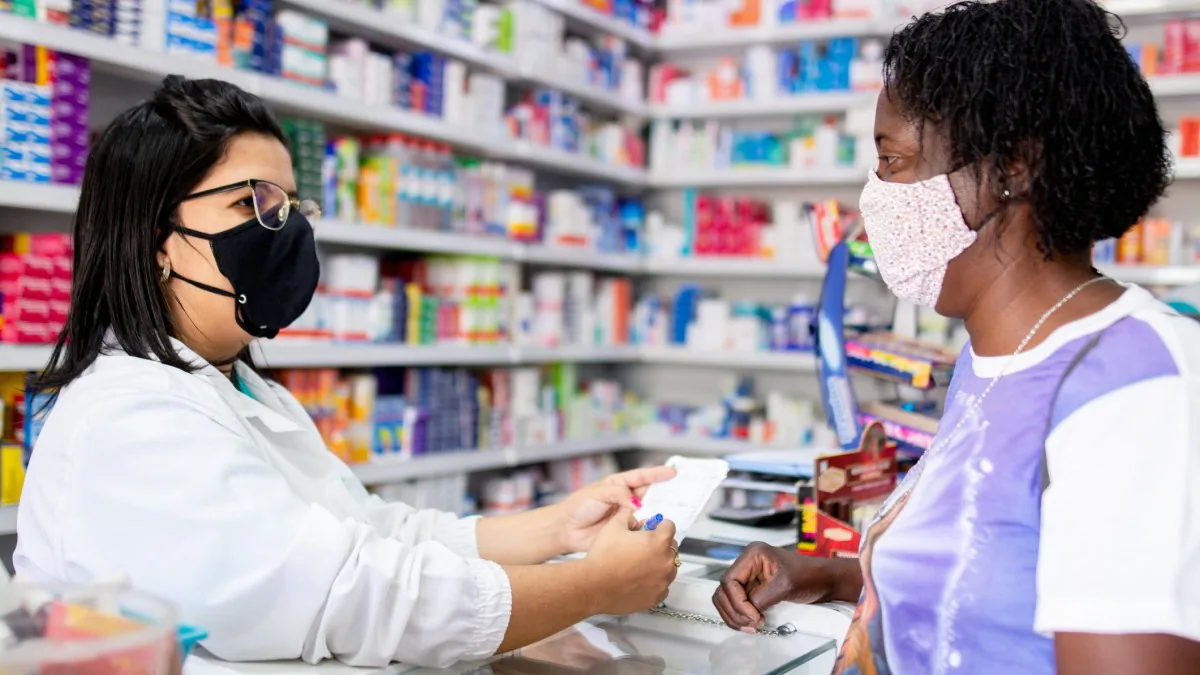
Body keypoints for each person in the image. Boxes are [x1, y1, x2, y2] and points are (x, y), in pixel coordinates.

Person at [13, 75, 682, 668]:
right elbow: (355, 592)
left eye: (292, 208)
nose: (285, 231)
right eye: (255, 204)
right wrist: (593, 586)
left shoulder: (245, 391)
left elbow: (374, 532)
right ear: (157, 238)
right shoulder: (129, 418)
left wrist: (559, 527)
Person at [713, 1, 1200, 674]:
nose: (874, 196)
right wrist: (832, 572)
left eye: (894, 161)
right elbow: (998, 586)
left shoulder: (1135, 381)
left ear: (1013, 167)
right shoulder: (995, 357)